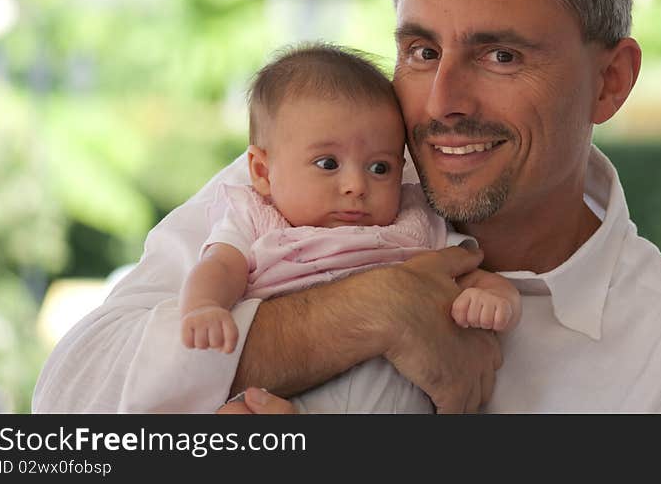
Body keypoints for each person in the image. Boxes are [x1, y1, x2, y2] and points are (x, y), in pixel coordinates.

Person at [33, 0, 661, 414]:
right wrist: (364, 309)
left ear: (610, 81)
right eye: (420, 50)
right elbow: (62, 418)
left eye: (500, 56)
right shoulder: (310, 174)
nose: (443, 101)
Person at [179, 44, 521, 412]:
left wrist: (494, 296)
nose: (356, 186)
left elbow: (467, 272)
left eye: (380, 168)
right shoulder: (256, 220)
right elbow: (218, 267)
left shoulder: (414, 224)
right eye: (328, 163)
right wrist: (204, 306)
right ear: (262, 172)